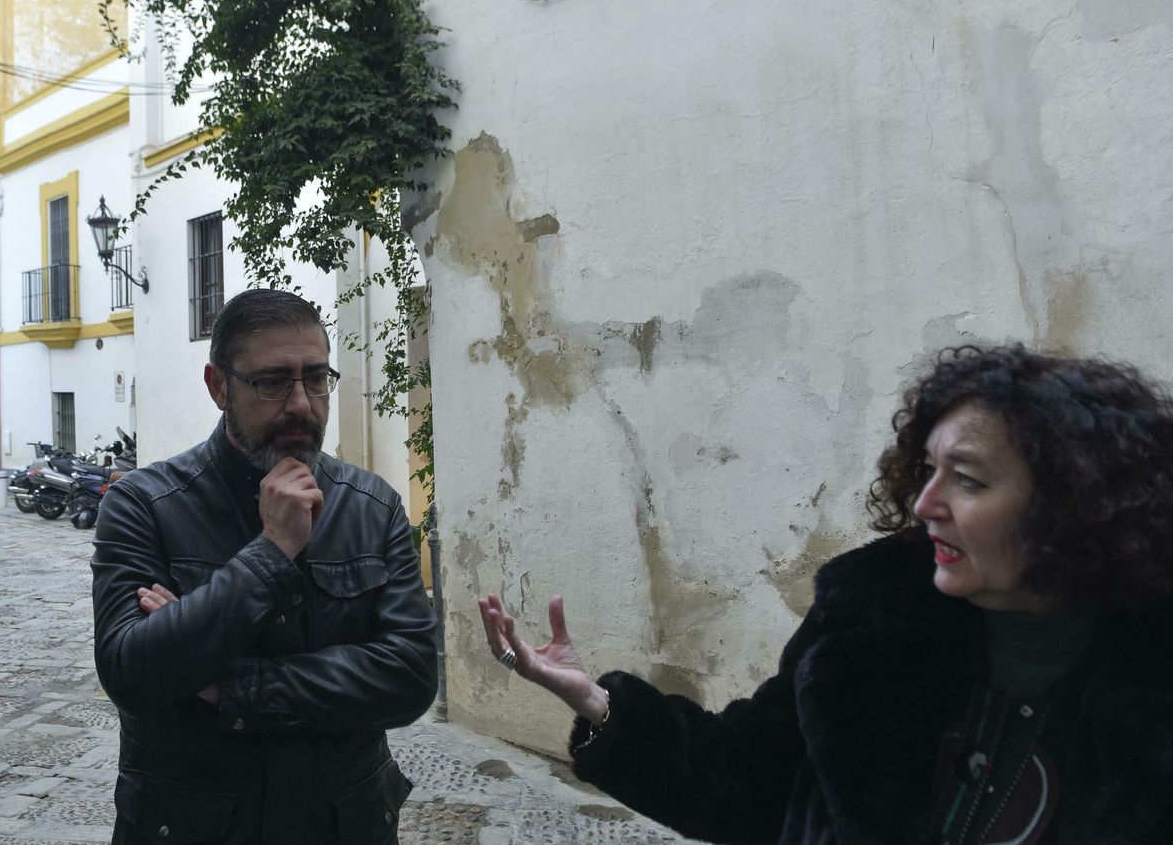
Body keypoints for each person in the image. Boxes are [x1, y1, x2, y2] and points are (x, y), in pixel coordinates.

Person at [480, 344, 1173, 844]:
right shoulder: (871, 609)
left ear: (1071, 504)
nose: (926, 501)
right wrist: (601, 708)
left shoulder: (1148, 666)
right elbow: (746, 784)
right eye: (926, 469)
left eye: (968, 478)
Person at [92, 288, 437, 844]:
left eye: (317, 378)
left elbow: (411, 678)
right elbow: (131, 673)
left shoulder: (372, 507)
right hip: (189, 827)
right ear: (218, 386)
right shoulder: (144, 504)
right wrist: (270, 552)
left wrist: (233, 687)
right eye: (273, 382)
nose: (301, 403)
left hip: (344, 825)